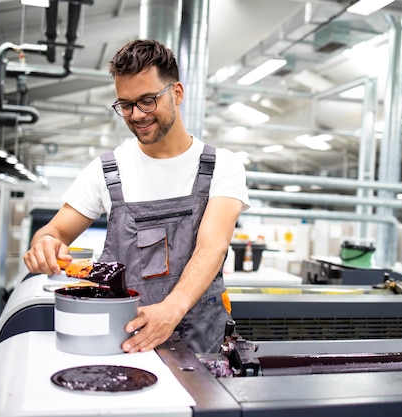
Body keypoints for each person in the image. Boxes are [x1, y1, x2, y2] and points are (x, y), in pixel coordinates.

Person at [23, 39, 250, 354]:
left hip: (202, 348)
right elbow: (54, 231)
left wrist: (171, 309)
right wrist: (44, 243)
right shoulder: (106, 170)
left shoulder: (222, 166)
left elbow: (212, 247)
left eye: (147, 100)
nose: (137, 115)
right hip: (122, 342)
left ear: (177, 93)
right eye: (125, 105)